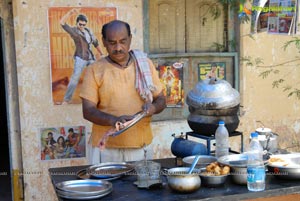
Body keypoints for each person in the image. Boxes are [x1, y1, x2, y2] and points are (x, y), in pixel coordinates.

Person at [80, 20, 166, 164]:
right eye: (112, 43)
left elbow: (161, 99)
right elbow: (88, 111)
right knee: (107, 186)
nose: (118, 48)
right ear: (104, 42)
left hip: (140, 147)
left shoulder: (145, 64)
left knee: (140, 186)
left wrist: (153, 108)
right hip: (105, 148)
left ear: (130, 39)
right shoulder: (94, 70)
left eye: (123, 41)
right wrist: (113, 120)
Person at [60, 8, 103, 104]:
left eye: (83, 24)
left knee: (98, 75)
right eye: (80, 24)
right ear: (77, 23)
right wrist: (69, 13)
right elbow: (62, 23)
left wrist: (101, 53)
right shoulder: (74, 31)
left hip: (90, 57)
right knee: (75, 78)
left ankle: (100, 98)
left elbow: (95, 43)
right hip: (80, 58)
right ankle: (66, 100)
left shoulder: (88, 31)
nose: (82, 26)